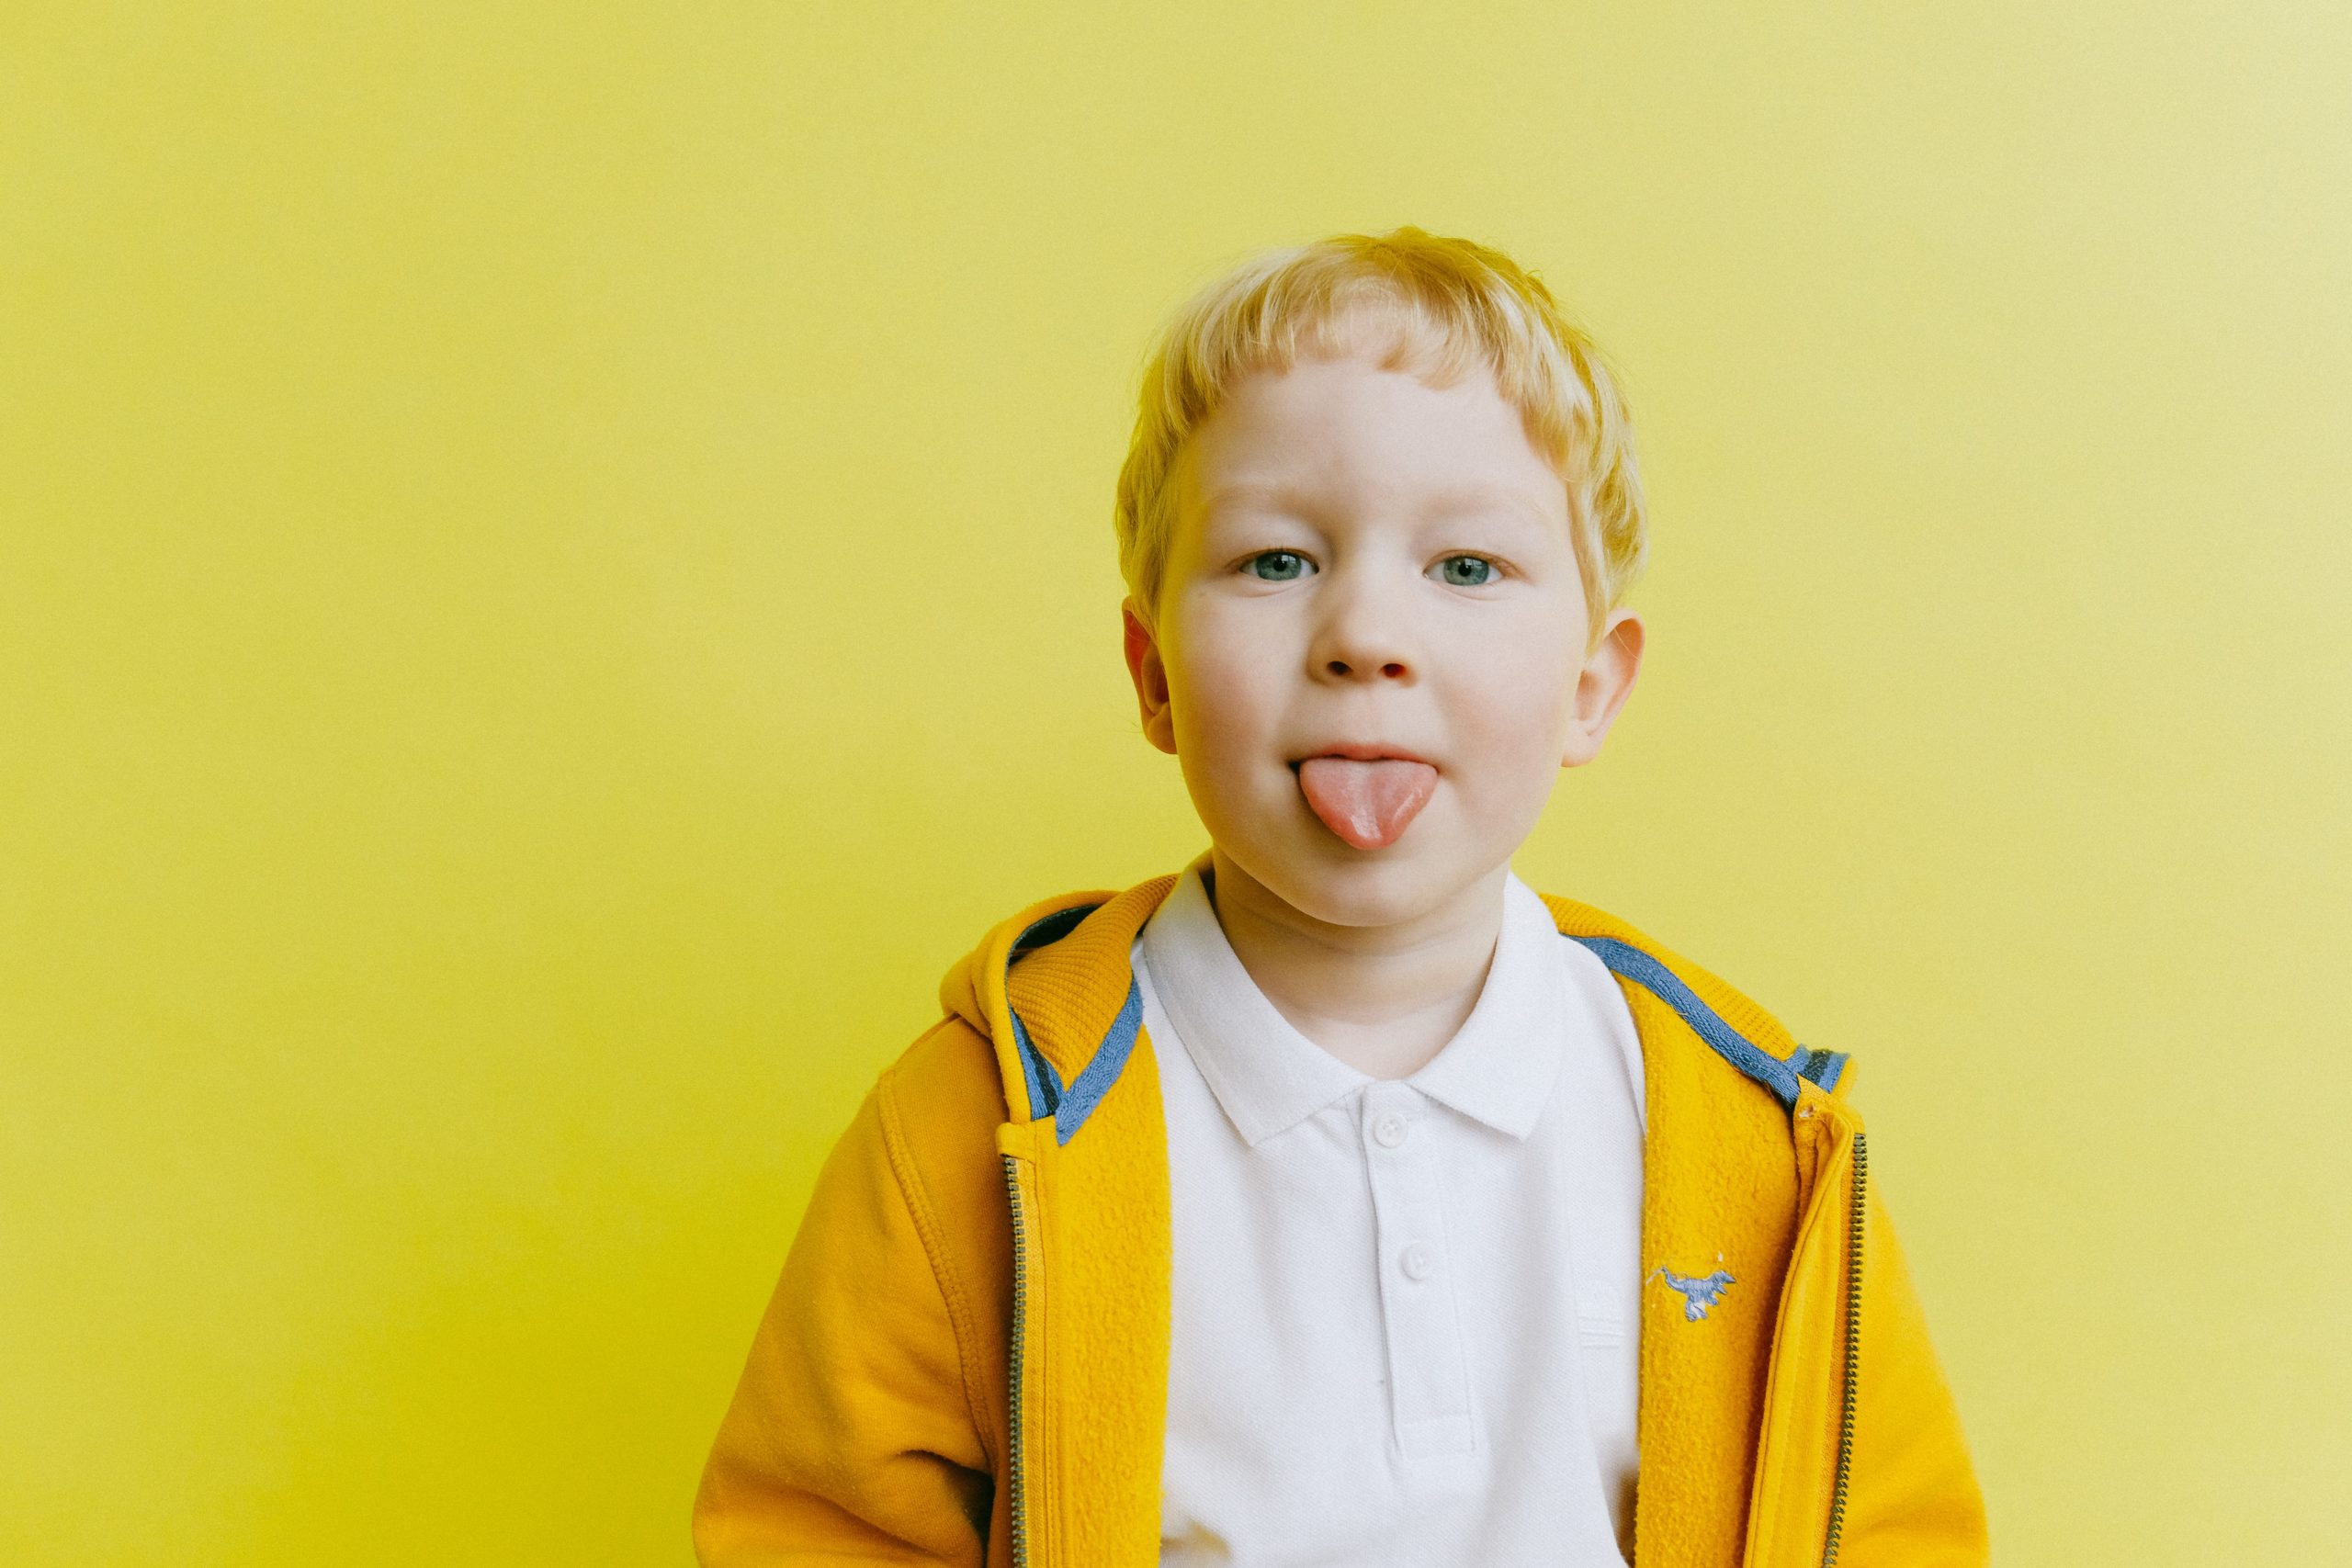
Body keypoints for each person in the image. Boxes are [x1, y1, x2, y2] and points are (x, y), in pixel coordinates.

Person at [691, 227, 1987, 1566]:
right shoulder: (978, 1124)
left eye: (1467, 569)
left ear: (1590, 688)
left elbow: (1893, 1534)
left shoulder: (1752, 1134)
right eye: (1276, 562)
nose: (1365, 635)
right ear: (1154, 675)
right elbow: (815, 1531)